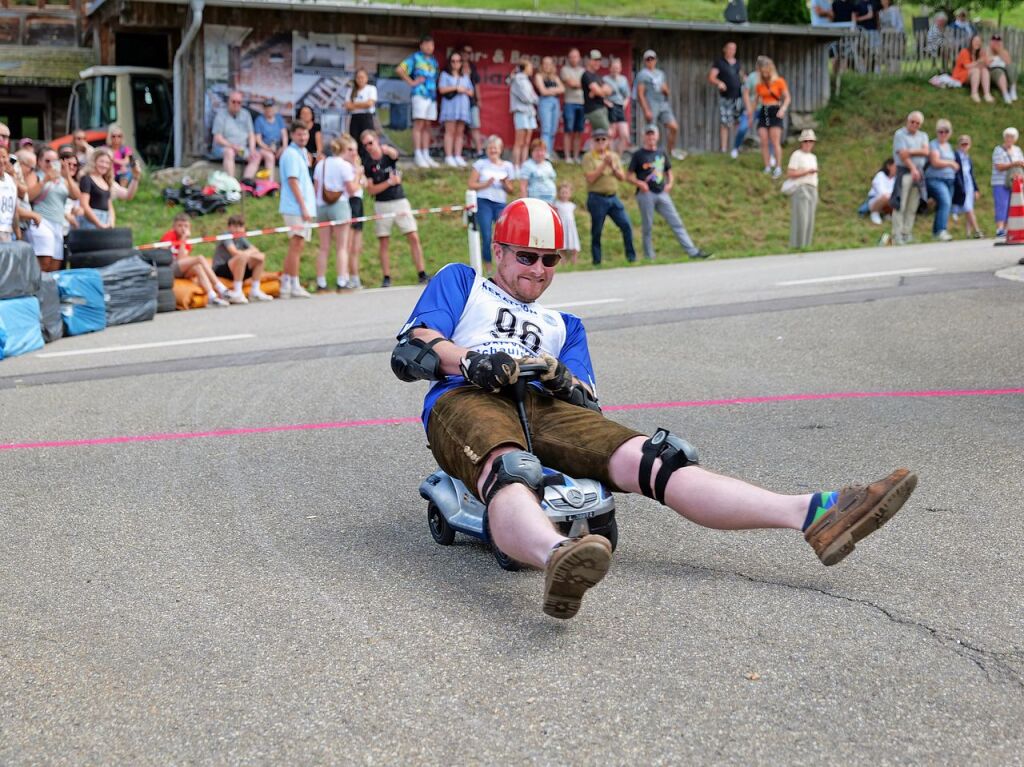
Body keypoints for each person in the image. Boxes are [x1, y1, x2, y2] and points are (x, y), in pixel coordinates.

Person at [390, 197, 919, 620]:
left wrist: (563, 378)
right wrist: (471, 361)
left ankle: (812, 513)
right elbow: (414, 346)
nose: (538, 269)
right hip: (467, 397)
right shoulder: (464, 281)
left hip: (544, 406)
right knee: (510, 470)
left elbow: (588, 401)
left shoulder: (564, 326)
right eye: (526, 256)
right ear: (500, 252)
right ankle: (557, 559)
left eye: (549, 259)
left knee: (660, 459)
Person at [627, 126, 712, 261]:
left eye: (653, 135)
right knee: (647, 226)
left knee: (676, 222)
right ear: (644, 137)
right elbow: (629, 175)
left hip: (661, 193)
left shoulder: (661, 152)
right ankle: (649, 256)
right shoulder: (638, 155)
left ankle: (692, 251)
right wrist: (639, 183)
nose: (651, 138)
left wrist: (670, 183)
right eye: (648, 135)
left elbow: (669, 171)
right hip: (646, 194)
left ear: (657, 136)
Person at [360, 129, 428, 287]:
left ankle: (422, 273)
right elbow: (371, 190)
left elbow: (395, 155)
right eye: (365, 145)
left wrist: (387, 150)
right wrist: (389, 183)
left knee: (413, 236)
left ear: (377, 140)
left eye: (370, 143)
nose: (369, 147)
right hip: (382, 204)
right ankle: (386, 277)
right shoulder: (367, 162)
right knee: (384, 240)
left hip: (399, 200)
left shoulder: (387, 154)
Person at [313, 135, 360, 292]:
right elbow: (352, 190)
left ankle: (321, 281)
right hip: (339, 205)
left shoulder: (321, 164)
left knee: (323, 247)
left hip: (321, 205)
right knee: (342, 246)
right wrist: (358, 174)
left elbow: (316, 187)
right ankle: (341, 280)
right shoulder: (343, 165)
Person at [582, 128, 635, 265]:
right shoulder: (589, 157)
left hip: (612, 197)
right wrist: (603, 165)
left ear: (608, 141)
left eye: (603, 139)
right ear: (593, 142)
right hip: (596, 198)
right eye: (597, 139)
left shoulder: (614, 156)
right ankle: (597, 260)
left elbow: (622, 177)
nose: (600, 142)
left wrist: (612, 166)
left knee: (626, 225)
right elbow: (590, 178)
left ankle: (631, 257)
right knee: (597, 230)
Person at [468, 135, 517, 273]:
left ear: (500, 150)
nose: (493, 151)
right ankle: (488, 267)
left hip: (500, 203)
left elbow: (511, 189)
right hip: (484, 202)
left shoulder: (507, 166)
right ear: (487, 150)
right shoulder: (480, 164)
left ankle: (506, 264)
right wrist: (486, 184)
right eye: (490, 148)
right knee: (486, 234)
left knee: (505, 235)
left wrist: (504, 183)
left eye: (495, 148)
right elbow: (471, 184)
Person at [25, 147, 80, 272]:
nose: (50, 164)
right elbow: (29, 196)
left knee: (55, 264)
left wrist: (68, 177)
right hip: (41, 222)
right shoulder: (35, 176)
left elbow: (76, 196)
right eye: (47, 161)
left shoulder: (63, 180)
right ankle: (34, 289)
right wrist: (45, 180)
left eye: (54, 161)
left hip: (58, 224)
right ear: (39, 162)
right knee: (44, 262)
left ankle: (47, 290)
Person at [278, 119, 315, 299]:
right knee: (296, 244)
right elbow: (293, 182)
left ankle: (286, 282)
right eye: (299, 134)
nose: (303, 137)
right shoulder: (291, 154)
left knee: (297, 245)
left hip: (302, 206)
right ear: (293, 135)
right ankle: (294, 283)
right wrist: (303, 207)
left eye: (305, 133)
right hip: (295, 207)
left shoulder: (302, 152)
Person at [161, 213, 230, 307]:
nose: (183, 228)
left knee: (197, 267)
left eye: (186, 226)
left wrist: (184, 240)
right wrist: (183, 239)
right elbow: (179, 259)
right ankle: (220, 287)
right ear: (174, 226)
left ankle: (212, 296)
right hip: (170, 267)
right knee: (200, 258)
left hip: (180, 268)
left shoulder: (187, 241)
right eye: (180, 225)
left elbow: (183, 258)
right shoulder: (169, 235)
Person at [397, 35, 440, 169]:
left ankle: (425, 153)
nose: (429, 47)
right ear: (421, 45)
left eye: (431, 44)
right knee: (419, 124)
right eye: (426, 44)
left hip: (431, 96)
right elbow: (399, 69)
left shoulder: (434, 62)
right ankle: (418, 154)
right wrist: (412, 82)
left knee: (428, 125)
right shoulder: (415, 58)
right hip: (420, 94)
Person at [212, 214, 274, 303]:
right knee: (242, 257)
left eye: (240, 226)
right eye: (235, 226)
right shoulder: (226, 235)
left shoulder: (241, 238)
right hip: (221, 268)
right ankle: (237, 291)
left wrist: (247, 254)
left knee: (260, 257)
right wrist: (248, 254)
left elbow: (255, 249)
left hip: (235, 266)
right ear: (229, 227)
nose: (238, 229)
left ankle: (255, 290)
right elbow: (234, 252)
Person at [889, 111, 930, 245]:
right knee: (900, 204)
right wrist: (912, 168)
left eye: (917, 123)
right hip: (905, 172)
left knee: (913, 205)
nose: (914, 125)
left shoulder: (923, 136)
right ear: (908, 121)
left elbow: (925, 152)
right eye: (912, 122)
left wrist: (910, 151)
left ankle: (907, 232)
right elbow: (902, 155)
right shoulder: (900, 134)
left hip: (919, 173)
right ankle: (897, 235)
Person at [635, 50, 680, 158]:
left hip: (663, 104)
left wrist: (666, 89)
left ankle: (670, 152)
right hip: (651, 104)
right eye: (648, 59)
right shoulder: (642, 74)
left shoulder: (660, 73)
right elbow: (640, 94)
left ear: (656, 60)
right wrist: (646, 110)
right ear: (645, 61)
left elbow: (667, 91)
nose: (650, 61)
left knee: (674, 127)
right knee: (651, 131)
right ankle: (648, 154)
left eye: (652, 59)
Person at [211, 91, 262, 180]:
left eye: (239, 102)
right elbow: (217, 138)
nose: (236, 104)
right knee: (229, 152)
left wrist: (252, 149)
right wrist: (232, 146)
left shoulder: (246, 114)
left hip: (241, 149)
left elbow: (251, 135)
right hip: (223, 148)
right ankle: (231, 184)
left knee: (256, 156)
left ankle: (246, 182)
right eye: (233, 101)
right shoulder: (221, 115)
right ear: (228, 102)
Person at [754, 57, 790, 178]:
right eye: (762, 72)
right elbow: (756, 100)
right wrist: (751, 114)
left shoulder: (779, 81)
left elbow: (787, 98)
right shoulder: (759, 85)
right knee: (763, 141)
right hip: (763, 111)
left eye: (766, 71)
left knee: (775, 141)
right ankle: (767, 166)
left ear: (770, 70)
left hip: (775, 111)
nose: (764, 74)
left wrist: (783, 109)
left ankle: (778, 167)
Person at [708, 42, 745, 157]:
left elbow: (744, 77)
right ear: (725, 49)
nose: (732, 51)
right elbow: (711, 77)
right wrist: (719, 83)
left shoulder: (737, 63)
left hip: (738, 97)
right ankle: (724, 149)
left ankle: (736, 147)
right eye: (729, 48)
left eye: (734, 49)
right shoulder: (719, 63)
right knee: (725, 123)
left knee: (737, 122)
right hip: (725, 97)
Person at [925, 119, 959, 242]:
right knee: (945, 202)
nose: (943, 134)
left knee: (945, 204)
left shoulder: (949, 146)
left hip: (949, 179)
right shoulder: (933, 144)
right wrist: (951, 163)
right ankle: (941, 230)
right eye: (940, 131)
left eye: (946, 131)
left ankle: (936, 232)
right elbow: (935, 162)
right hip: (935, 179)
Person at [437, 52, 472, 168]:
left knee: (460, 132)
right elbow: (441, 90)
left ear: (461, 63)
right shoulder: (445, 75)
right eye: (453, 61)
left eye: (458, 61)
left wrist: (463, 90)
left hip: (462, 107)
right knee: (450, 131)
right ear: (450, 62)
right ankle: (448, 156)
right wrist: (456, 88)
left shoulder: (465, 76)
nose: (456, 64)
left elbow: (471, 92)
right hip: (450, 106)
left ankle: (458, 155)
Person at [787, 129, 819, 249]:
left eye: (810, 141)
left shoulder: (813, 157)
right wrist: (806, 172)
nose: (808, 143)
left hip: (813, 188)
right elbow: (791, 173)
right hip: (801, 187)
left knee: (810, 219)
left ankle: (807, 244)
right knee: (802, 218)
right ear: (802, 142)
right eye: (806, 141)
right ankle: (797, 245)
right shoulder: (797, 155)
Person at [991, 127, 1024, 238]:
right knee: (1002, 204)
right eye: (1007, 136)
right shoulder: (998, 150)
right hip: (1000, 182)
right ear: (1004, 137)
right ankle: (1000, 228)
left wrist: (1018, 165)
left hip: (1014, 182)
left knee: (1012, 205)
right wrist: (1014, 164)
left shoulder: (1017, 150)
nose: (1009, 139)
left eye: (1012, 137)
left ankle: (1008, 229)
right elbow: (999, 166)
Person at [344, 68, 378, 168]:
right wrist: (361, 104)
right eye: (358, 77)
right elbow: (347, 105)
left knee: (367, 140)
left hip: (366, 117)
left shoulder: (371, 89)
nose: (360, 79)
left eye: (362, 77)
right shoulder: (351, 90)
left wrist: (354, 105)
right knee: (354, 140)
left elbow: (369, 104)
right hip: (355, 118)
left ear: (366, 78)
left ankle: (369, 163)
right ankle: (355, 163)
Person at [509, 58, 539, 169]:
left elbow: (534, 96)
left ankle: (523, 165)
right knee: (519, 141)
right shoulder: (517, 79)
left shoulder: (527, 80)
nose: (532, 69)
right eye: (530, 67)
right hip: (521, 112)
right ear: (524, 68)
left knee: (527, 141)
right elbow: (526, 97)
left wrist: (534, 99)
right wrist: (533, 99)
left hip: (530, 113)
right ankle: (516, 166)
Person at [77, 148, 117, 229]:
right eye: (101, 161)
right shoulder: (86, 179)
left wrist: (111, 221)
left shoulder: (106, 181)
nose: (104, 165)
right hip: (90, 220)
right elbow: (84, 204)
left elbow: (110, 206)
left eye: (107, 163)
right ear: (94, 162)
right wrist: (98, 223)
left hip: (106, 219)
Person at [952, 134, 982, 239]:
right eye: (962, 143)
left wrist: (976, 189)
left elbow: (971, 174)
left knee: (969, 207)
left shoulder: (968, 158)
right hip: (961, 185)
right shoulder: (956, 155)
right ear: (959, 144)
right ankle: (977, 230)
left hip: (969, 184)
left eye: (966, 144)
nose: (964, 145)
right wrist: (960, 186)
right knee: (968, 208)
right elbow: (956, 173)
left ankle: (968, 233)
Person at [534, 56, 564, 157]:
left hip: (555, 102)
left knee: (553, 130)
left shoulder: (554, 77)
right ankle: (543, 154)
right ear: (542, 65)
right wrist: (554, 90)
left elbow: (562, 89)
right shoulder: (538, 76)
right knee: (546, 129)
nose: (547, 66)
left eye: (549, 63)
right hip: (545, 102)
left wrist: (549, 90)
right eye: (545, 63)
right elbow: (543, 91)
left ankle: (549, 153)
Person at [560, 48, 586, 164]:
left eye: (576, 56)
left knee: (578, 131)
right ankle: (567, 157)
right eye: (571, 57)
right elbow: (571, 84)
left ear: (579, 58)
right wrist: (580, 84)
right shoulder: (565, 69)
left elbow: (585, 85)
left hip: (582, 103)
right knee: (568, 130)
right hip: (569, 102)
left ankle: (576, 156)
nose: (574, 59)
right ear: (568, 58)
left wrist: (579, 84)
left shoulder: (583, 71)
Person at [953, 35, 993, 103]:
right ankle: (974, 93)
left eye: (979, 41)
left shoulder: (979, 53)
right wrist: (978, 62)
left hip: (973, 75)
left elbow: (987, 64)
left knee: (984, 70)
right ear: (971, 42)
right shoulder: (965, 51)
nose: (977, 43)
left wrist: (987, 53)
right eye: (975, 41)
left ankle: (987, 94)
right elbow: (967, 66)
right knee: (976, 70)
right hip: (961, 74)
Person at [603, 57, 631, 155]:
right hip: (610, 107)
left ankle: (618, 156)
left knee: (625, 135)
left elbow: (627, 95)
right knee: (611, 134)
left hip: (620, 107)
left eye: (617, 68)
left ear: (620, 68)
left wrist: (624, 104)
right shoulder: (605, 79)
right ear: (610, 68)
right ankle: (611, 157)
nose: (615, 70)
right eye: (613, 67)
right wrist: (607, 103)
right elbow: (601, 95)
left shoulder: (623, 79)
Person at [461, 44, 485, 158]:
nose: (467, 55)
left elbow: (476, 85)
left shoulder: (472, 67)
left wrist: (478, 99)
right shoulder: (454, 65)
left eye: (469, 53)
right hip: (458, 102)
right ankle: (456, 154)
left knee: (475, 126)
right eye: (465, 52)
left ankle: (479, 151)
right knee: (458, 127)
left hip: (471, 101)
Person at [253, 98, 287, 175]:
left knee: (287, 154)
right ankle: (270, 183)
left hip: (278, 146)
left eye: (271, 107)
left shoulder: (278, 118)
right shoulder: (259, 120)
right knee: (270, 157)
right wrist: (268, 148)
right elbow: (258, 139)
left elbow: (284, 135)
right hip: (264, 147)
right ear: (264, 108)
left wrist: (284, 147)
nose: (269, 109)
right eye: (267, 108)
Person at [581, 50, 611, 137]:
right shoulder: (587, 75)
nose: (597, 62)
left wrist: (598, 91)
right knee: (607, 134)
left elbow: (609, 90)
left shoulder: (597, 76)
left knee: (597, 137)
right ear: (589, 61)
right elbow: (599, 92)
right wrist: (599, 91)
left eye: (599, 60)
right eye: (595, 60)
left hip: (601, 108)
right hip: (594, 110)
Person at [518, 138, 557, 203]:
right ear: (531, 152)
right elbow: (523, 186)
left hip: (550, 201)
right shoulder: (527, 165)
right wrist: (525, 201)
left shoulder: (548, 164)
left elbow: (553, 180)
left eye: (542, 150)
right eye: (536, 150)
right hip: (535, 202)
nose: (539, 153)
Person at [553, 181, 580, 266]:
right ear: (559, 193)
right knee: (562, 247)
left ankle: (574, 263)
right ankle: (563, 264)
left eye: (566, 193)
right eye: (562, 193)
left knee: (574, 247)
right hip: (563, 228)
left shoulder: (571, 205)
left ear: (570, 194)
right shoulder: (557, 204)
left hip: (571, 228)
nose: (564, 195)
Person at [0, 143, 21, 243]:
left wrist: (18, 233)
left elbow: (15, 210)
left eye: (3, 157)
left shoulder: (12, 181)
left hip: (7, 231)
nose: (1, 160)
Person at [986, 34, 1016, 104]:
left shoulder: (1004, 52)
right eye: (994, 40)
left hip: (1005, 70)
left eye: (998, 40)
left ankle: (1013, 89)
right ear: (991, 42)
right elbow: (987, 63)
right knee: (999, 71)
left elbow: (1008, 62)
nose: (996, 42)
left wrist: (999, 51)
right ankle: (1005, 94)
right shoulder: (987, 50)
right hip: (993, 71)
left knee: (1012, 66)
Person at [866, 158, 896, 225]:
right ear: (889, 166)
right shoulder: (880, 176)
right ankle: (874, 213)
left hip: (890, 201)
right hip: (875, 201)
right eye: (895, 166)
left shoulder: (895, 179)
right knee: (886, 197)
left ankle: (888, 214)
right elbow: (882, 192)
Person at [296, 105, 323, 174]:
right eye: (304, 113)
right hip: (300, 152)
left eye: (308, 113)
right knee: (307, 157)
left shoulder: (316, 126)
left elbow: (319, 146)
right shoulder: (296, 127)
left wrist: (318, 154)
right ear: (299, 115)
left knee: (322, 159)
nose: (306, 115)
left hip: (314, 153)